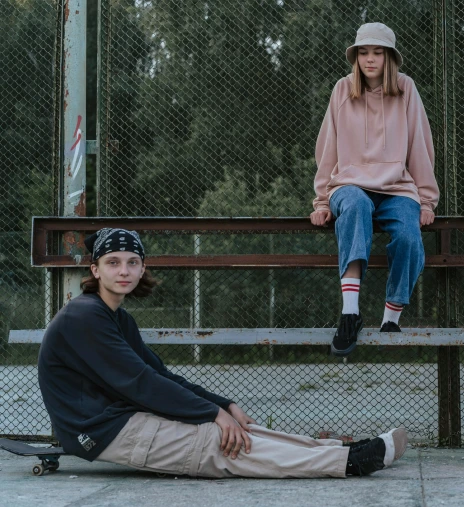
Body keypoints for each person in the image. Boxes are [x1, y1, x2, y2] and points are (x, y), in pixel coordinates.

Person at [37, 228, 407, 478]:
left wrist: (224, 406)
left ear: (143, 267)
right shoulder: (84, 317)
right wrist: (212, 415)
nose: (124, 271)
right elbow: (140, 383)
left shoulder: (118, 318)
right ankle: (345, 464)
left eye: (132, 262)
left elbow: (162, 377)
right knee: (222, 443)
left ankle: (341, 451)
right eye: (113, 263)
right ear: (95, 269)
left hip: (124, 417)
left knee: (238, 427)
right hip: (103, 432)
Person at [310, 22, 439, 356]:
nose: (370, 59)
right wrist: (323, 200)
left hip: (397, 188)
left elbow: (420, 146)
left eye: (377, 52)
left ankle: (391, 319)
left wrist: (426, 200)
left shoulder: (406, 89)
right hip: (349, 184)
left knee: (410, 237)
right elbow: (329, 147)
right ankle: (350, 313)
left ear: (389, 57)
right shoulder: (342, 89)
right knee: (355, 206)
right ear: (355, 57)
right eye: (363, 52)